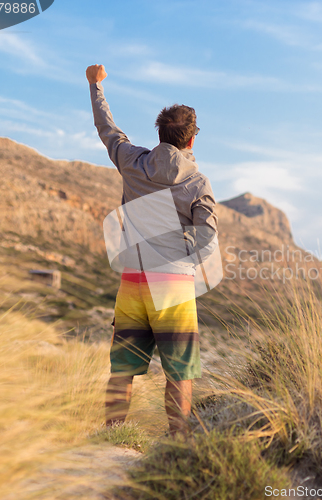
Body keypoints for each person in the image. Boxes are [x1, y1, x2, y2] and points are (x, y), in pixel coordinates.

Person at [86, 64, 218, 435]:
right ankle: (177, 444)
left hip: (133, 281)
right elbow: (207, 239)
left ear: (159, 135)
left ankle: (112, 439)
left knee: (123, 369)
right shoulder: (197, 182)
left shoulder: (132, 162)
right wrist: (181, 258)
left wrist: (96, 87)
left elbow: (107, 130)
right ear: (191, 141)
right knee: (179, 372)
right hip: (173, 285)